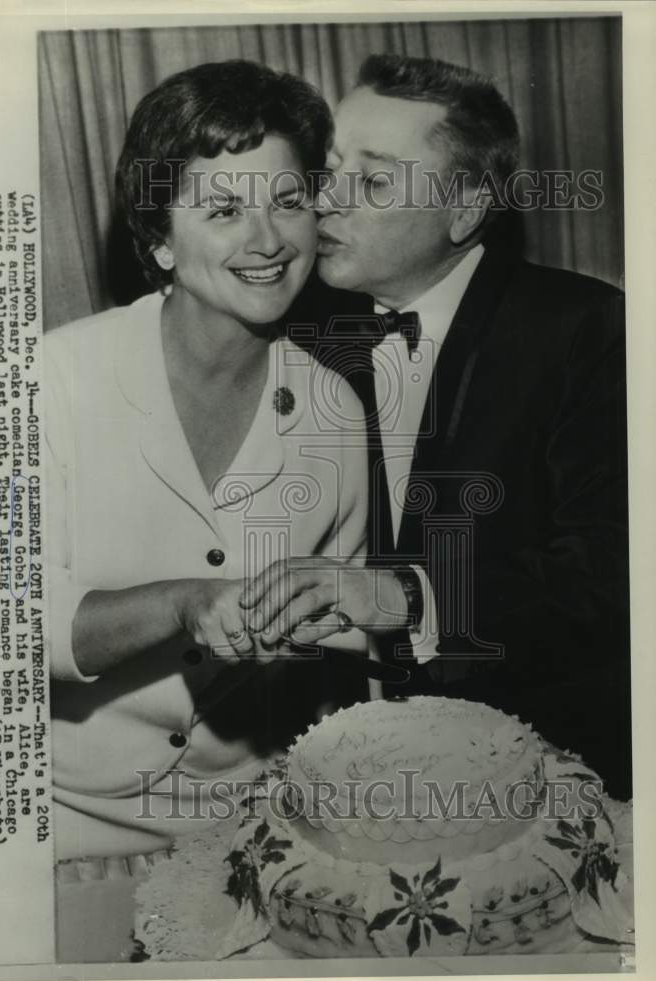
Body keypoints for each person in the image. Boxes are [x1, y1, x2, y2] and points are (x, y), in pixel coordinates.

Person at [241, 54, 631, 798]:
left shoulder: (587, 330)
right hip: (351, 771)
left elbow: (613, 573)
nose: (326, 202)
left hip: (544, 780)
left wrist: (402, 598)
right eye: (328, 170)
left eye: (375, 180)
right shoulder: (298, 331)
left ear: (464, 209)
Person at [44, 59, 369, 877]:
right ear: (157, 235)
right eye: (223, 210)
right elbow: (4, 633)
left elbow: (341, 652)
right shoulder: (50, 381)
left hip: (255, 835)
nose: (266, 241)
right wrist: (183, 603)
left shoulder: (334, 409)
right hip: (62, 834)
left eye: (288, 202)